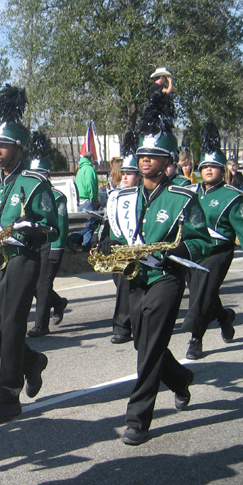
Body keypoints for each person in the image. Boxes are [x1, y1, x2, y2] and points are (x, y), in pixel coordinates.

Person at [92, 92, 211, 446]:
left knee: (151, 344)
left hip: (166, 277)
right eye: (142, 155)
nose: (145, 160)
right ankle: (180, 378)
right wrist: (107, 245)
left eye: (154, 156)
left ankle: (138, 418)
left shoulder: (184, 196)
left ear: (168, 161)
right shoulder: (124, 197)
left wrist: (176, 249)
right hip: (134, 277)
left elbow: (202, 240)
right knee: (144, 344)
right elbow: (116, 234)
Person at [0, 85, 58, 424]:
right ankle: (31, 362)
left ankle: (8, 396)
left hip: (22, 259)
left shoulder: (34, 183)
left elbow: (52, 225)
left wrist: (34, 229)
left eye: (4, 146)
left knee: (13, 325)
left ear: (18, 149)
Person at [181, 123, 243, 360]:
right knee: (203, 291)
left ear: (221, 170)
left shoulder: (233, 196)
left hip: (219, 251)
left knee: (201, 294)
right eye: (205, 166)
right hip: (192, 250)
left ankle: (196, 339)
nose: (208, 170)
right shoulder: (191, 191)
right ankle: (225, 317)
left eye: (214, 167)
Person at [100, 131, 141, 345]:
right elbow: (110, 222)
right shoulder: (114, 195)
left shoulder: (144, 195)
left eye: (130, 173)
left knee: (129, 288)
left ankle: (123, 328)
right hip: (118, 249)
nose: (124, 176)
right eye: (123, 172)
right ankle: (128, 323)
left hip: (139, 249)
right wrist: (105, 240)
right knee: (123, 287)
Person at [27, 131, 69, 337]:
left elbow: (61, 225)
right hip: (32, 245)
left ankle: (41, 325)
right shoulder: (26, 194)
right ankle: (58, 302)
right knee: (32, 284)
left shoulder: (57, 196)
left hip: (50, 245)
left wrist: (56, 250)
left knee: (43, 285)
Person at [67, 151, 99, 253]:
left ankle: (86, 248)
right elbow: (90, 183)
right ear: (91, 158)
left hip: (79, 200)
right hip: (87, 200)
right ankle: (69, 240)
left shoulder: (80, 169)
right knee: (89, 225)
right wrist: (93, 197)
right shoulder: (89, 169)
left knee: (83, 225)